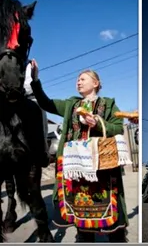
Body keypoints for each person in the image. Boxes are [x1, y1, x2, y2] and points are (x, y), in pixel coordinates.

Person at [29, 59, 129, 242]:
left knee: (112, 222)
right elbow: (46, 103)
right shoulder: (71, 105)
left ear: (96, 83)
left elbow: (118, 128)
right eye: (77, 80)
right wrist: (35, 80)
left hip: (101, 167)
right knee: (80, 216)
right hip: (76, 167)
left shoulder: (107, 104)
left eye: (83, 79)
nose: (78, 82)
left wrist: (98, 123)